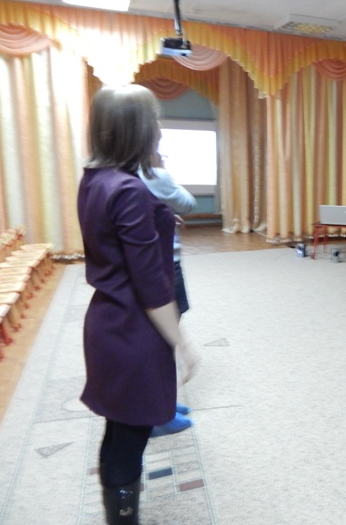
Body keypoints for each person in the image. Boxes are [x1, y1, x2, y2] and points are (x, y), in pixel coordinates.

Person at [78, 84, 197, 524]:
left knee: (119, 428)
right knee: (130, 437)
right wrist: (181, 342)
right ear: (138, 129)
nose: (159, 130)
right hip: (133, 332)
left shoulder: (96, 179)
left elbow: (114, 236)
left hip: (106, 323)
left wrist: (157, 219)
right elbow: (151, 286)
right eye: (155, 121)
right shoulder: (128, 190)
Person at [139, 154, 197, 437]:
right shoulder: (153, 175)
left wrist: (162, 214)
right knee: (161, 341)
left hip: (160, 262)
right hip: (162, 265)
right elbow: (188, 203)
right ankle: (157, 413)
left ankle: (162, 404)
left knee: (160, 338)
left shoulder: (116, 176)